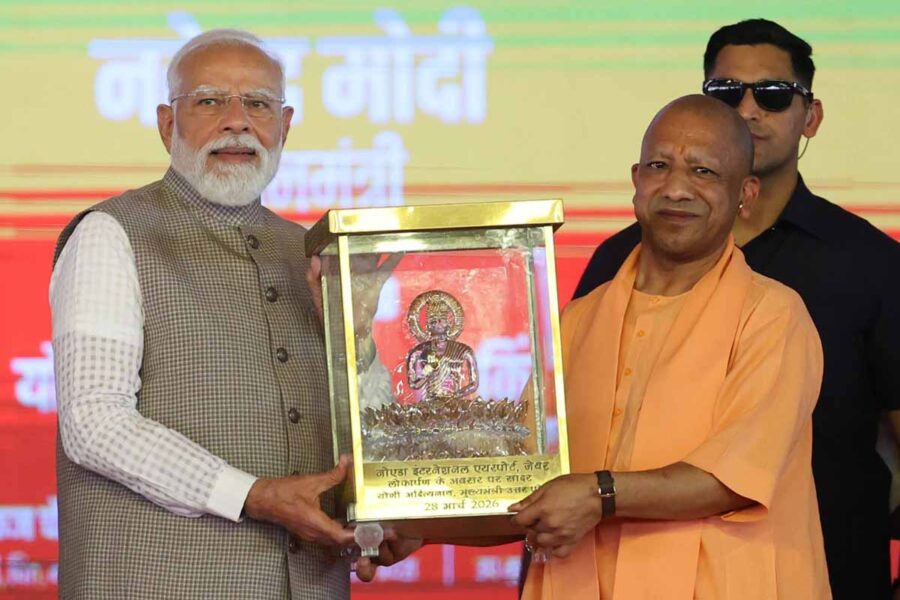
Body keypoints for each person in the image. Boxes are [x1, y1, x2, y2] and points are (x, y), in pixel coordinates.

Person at [49, 29, 416, 599]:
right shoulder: (112, 233)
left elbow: (371, 429)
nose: (238, 121)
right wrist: (255, 495)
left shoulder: (311, 252)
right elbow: (94, 422)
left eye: (259, 104)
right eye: (210, 100)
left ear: (285, 125)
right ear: (168, 124)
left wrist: (391, 506)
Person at [571, 19, 900, 598]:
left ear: (811, 117)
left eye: (772, 95)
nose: (748, 109)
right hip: (598, 571)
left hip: (812, 569)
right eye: (726, 94)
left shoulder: (868, 264)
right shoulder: (612, 265)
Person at [511, 94, 830, 599]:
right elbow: (519, 478)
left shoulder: (773, 316)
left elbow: (732, 477)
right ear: (637, 180)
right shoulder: (577, 320)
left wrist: (599, 495)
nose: (677, 188)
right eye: (660, 166)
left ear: (745, 193)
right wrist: (417, 524)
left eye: (703, 172)